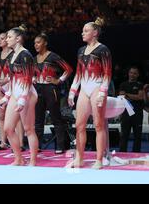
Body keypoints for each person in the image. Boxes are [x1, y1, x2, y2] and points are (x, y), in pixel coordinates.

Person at [68, 17, 112, 169]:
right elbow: (78, 73)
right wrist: (72, 92)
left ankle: (99, 159)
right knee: (79, 125)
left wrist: (102, 92)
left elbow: (107, 73)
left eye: (85, 31)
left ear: (95, 32)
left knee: (98, 125)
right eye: (82, 31)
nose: (82, 33)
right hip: (84, 90)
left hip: (97, 88)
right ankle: (79, 158)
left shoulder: (103, 50)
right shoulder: (81, 51)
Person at [0, 25, 38, 166]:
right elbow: (13, 79)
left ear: (18, 39)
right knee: (8, 128)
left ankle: (33, 160)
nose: (6, 39)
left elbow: (27, 79)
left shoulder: (25, 55)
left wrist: (22, 99)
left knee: (28, 129)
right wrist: (7, 96)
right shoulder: (12, 55)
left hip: (27, 94)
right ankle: (19, 159)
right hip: (16, 93)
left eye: (9, 37)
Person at [34, 32, 72, 153]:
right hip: (38, 89)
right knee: (38, 119)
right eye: (34, 43)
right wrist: (33, 78)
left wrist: (58, 80)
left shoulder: (53, 56)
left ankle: (60, 146)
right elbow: (30, 73)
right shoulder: (34, 59)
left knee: (56, 118)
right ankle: (38, 145)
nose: (36, 45)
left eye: (38, 42)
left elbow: (68, 69)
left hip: (50, 89)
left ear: (45, 43)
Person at [0, 32, 24, 151]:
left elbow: (15, 73)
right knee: (2, 115)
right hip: (0, 87)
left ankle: (20, 144)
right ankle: (3, 143)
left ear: (7, 40)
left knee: (16, 116)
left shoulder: (13, 55)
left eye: (2, 39)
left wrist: (4, 81)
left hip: (11, 86)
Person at [119, 66, 145, 152]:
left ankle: (136, 154)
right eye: (131, 72)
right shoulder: (123, 84)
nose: (132, 75)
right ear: (128, 73)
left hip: (137, 114)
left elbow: (140, 97)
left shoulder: (140, 85)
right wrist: (131, 96)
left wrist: (127, 95)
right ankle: (122, 154)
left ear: (137, 75)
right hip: (125, 114)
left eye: (134, 73)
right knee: (124, 136)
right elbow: (121, 97)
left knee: (137, 136)